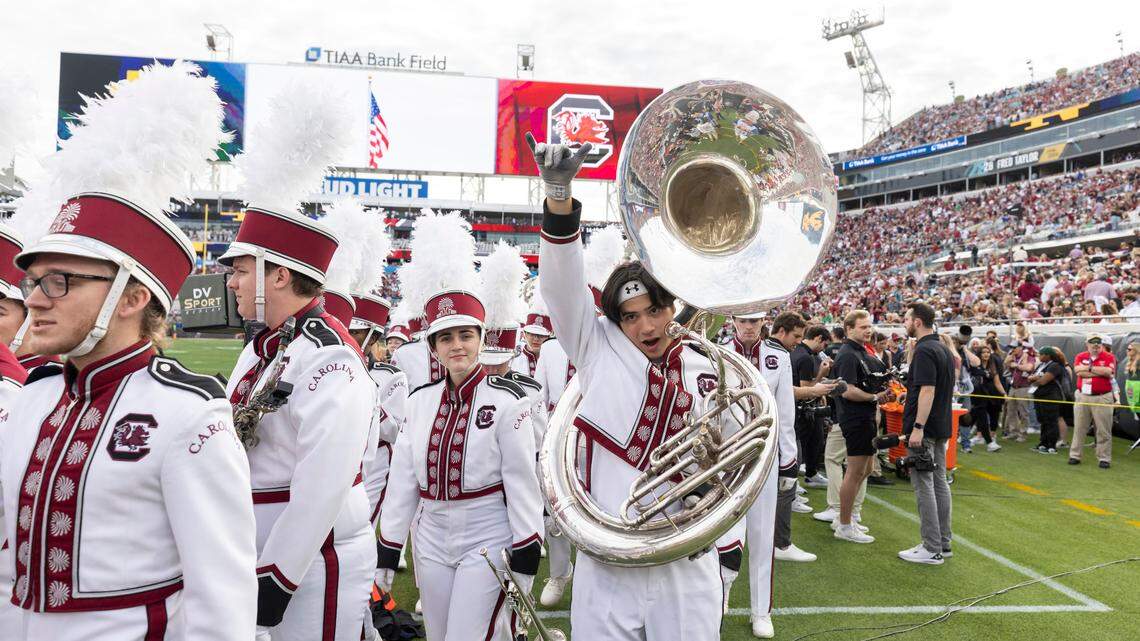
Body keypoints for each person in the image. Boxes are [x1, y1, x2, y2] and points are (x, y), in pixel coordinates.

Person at [0, 63, 258, 640]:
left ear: (132, 297)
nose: (36, 301)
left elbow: (223, 601)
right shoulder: (32, 396)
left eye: (59, 281)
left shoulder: (190, 413)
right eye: (32, 282)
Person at [531, 133, 729, 640]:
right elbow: (559, 287)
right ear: (615, 322)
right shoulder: (597, 348)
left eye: (656, 311)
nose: (647, 326)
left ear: (672, 308)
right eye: (631, 316)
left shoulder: (710, 368)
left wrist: (713, 468)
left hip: (685, 561)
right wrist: (558, 196)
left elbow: (738, 458)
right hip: (607, 563)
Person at [222, 204, 377, 639]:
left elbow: (324, 483)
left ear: (279, 275)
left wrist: (278, 575)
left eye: (241, 269)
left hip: (312, 563)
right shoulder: (262, 347)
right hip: (254, 550)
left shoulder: (330, 356)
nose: (231, 281)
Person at [375, 290, 544, 641]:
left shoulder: (508, 401)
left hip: (487, 533)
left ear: (481, 340)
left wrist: (527, 548)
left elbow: (522, 482)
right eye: (446, 337)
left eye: (466, 335)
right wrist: (389, 549)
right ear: (433, 346)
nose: (457, 345)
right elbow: (404, 481)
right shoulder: (418, 401)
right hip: (430, 536)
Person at [899, 302, 956, 564]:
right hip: (941, 424)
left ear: (917, 322)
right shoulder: (942, 347)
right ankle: (942, 543)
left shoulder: (925, 350)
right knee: (939, 483)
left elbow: (927, 390)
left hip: (926, 428)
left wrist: (918, 427)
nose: (905, 323)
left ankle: (931, 547)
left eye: (907, 319)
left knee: (925, 486)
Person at [832, 310, 891, 543]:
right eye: (863, 327)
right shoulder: (847, 354)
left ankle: (848, 517)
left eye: (869, 326)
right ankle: (844, 524)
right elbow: (847, 390)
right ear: (849, 329)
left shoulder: (860, 351)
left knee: (865, 470)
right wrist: (874, 397)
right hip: (854, 417)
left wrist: (878, 394)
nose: (868, 330)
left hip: (864, 416)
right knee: (855, 471)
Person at [792, 325, 834, 488]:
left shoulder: (800, 353)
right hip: (802, 407)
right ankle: (794, 485)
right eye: (824, 345)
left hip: (801, 406)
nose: (824, 349)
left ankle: (809, 474)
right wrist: (822, 376)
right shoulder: (806, 357)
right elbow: (807, 388)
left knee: (813, 441)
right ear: (818, 339)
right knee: (802, 445)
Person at [1069, 333, 1117, 468]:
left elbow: (1108, 372)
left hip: (1102, 396)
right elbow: (1078, 372)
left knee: (1103, 429)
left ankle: (1104, 458)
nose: (1096, 346)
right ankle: (1075, 455)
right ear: (1087, 344)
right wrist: (1098, 371)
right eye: (1093, 343)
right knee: (1079, 427)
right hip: (1083, 395)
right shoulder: (1081, 356)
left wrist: (1089, 369)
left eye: (1098, 343)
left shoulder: (1109, 356)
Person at [1028, 347, 1069, 454]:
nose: (1039, 356)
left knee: (1051, 421)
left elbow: (1043, 381)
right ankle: (1043, 443)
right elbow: (1030, 377)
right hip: (1039, 396)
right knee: (1043, 421)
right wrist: (1035, 378)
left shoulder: (1055, 365)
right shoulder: (1041, 365)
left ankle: (1051, 446)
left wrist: (1034, 379)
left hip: (1051, 397)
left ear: (1047, 355)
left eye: (1040, 354)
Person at [1003, 341, 1037, 442]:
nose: (1012, 349)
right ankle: (1013, 432)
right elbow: (1005, 366)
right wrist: (1009, 362)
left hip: (1023, 387)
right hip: (1013, 387)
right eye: (1011, 347)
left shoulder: (1028, 356)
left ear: (1020, 347)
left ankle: (1023, 434)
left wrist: (1016, 365)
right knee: (1011, 410)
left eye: (1014, 347)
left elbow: (1029, 367)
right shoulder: (1011, 356)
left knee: (1023, 412)